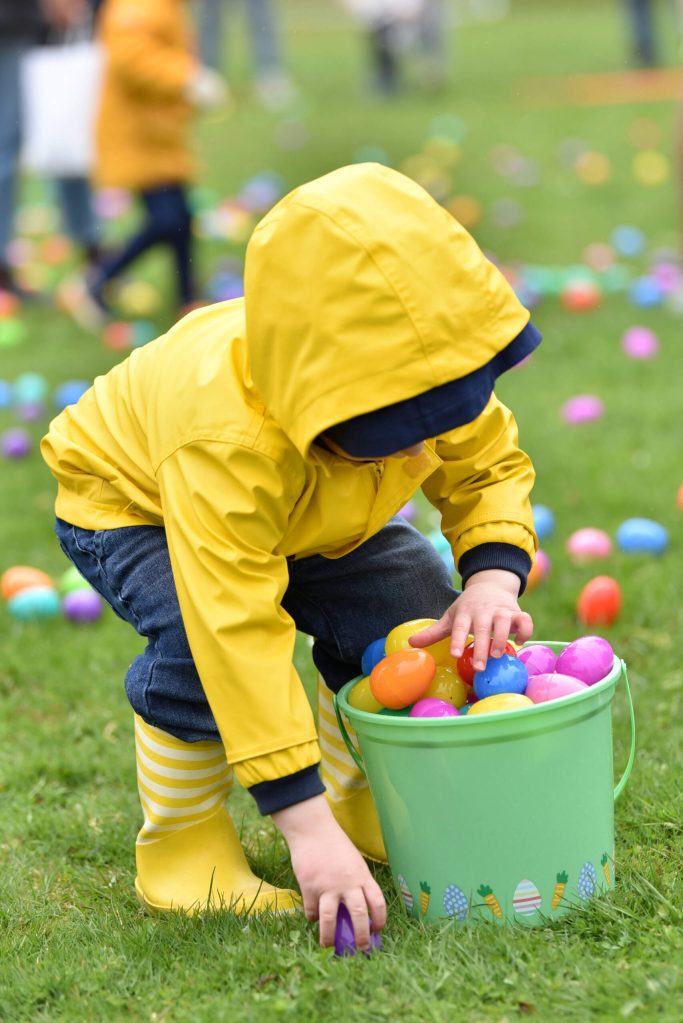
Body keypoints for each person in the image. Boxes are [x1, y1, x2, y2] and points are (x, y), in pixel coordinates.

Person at [41, 162, 541, 949]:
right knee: (196, 642)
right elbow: (234, 624)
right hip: (140, 506)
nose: (419, 444)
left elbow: (485, 464)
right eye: (389, 432)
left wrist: (489, 573)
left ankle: (358, 793)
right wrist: (300, 829)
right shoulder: (226, 433)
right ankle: (183, 842)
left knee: (405, 611)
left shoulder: (427, 356)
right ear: (323, 395)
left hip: (315, 511)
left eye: (430, 418)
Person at [63, 0, 227, 328]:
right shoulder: (134, 5)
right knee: (167, 219)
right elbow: (132, 59)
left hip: (158, 131)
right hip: (137, 132)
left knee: (180, 218)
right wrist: (187, 78)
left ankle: (187, 298)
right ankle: (97, 280)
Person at [0, 0, 103, 297]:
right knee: (8, 144)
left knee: (66, 135)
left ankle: (92, 250)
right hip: (15, 22)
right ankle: (92, 252)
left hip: (33, 25)